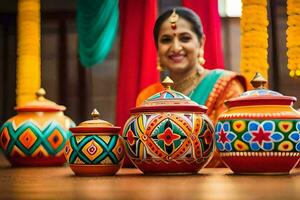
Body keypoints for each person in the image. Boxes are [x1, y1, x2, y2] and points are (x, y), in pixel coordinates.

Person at [136, 7, 246, 167]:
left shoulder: (226, 86)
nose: (175, 47)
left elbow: (229, 146)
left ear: (201, 42)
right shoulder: (148, 96)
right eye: (166, 39)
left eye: (185, 38)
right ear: (157, 48)